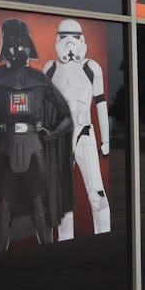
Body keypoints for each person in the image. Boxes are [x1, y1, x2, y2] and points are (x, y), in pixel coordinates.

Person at [0, 18, 74, 252]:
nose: (18, 49)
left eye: (21, 44)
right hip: (8, 146)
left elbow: (66, 116)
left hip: (30, 145)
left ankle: (46, 259)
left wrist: (51, 134)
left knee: (38, 208)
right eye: (14, 43)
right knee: (3, 210)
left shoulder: (38, 80)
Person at [44, 19, 111, 239]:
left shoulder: (91, 67)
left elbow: (100, 102)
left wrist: (105, 140)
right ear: (58, 38)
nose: (70, 42)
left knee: (97, 193)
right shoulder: (51, 68)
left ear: (82, 38)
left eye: (74, 36)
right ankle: (64, 243)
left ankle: (105, 237)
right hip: (60, 136)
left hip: (84, 133)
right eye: (64, 36)